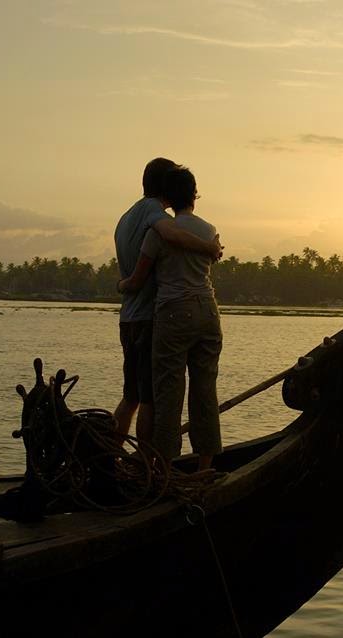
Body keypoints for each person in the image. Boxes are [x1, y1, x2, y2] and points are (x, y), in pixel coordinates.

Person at [118, 167, 222, 470]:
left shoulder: (157, 233)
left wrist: (121, 285)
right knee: (205, 392)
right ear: (194, 196)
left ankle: (164, 469)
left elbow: (137, 279)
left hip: (173, 314)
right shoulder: (209, 229)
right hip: (208, 311)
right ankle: (205, 468)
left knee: (168, 395)